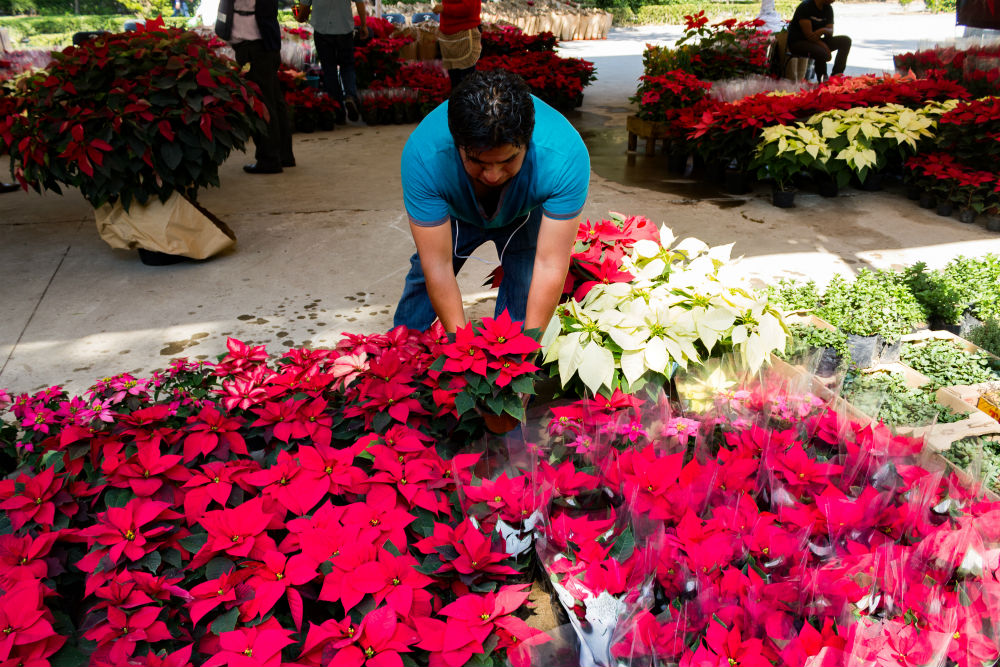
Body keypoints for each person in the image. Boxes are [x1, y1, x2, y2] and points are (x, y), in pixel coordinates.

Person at [393, 69, 590, 335]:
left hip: (523, 212)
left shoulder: (564, 156)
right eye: (478, 162)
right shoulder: (425, 157)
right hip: (455, 210)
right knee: (421, 289)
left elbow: (550, 265)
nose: (493, 176)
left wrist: (529, 346)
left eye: (508, 160)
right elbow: (437, 266)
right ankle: (403, 347)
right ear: (457, 145)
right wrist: (462, 346)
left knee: (526, 282)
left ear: (528, 143)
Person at [229, 0, 296, 173]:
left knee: (262, 103)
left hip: (253, 43)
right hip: (266, 42)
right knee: (274, 101)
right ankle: (283, 155)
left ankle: (269, 158)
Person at [303, 0, 368, 123]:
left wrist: (301, 17)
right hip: (344, 29)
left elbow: (304, 7)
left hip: (322, 31)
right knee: (347, 66)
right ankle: (350, 96)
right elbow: (359, 3)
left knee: (329, 69)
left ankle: (338, 110)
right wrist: (363, 25)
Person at [786, 0, 851, 82]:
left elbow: (830, 31)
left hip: (816, 41)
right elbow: (809, 36)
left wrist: (822, 30)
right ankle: (823, 81)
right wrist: (825, 47)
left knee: (845, 41)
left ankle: (836, 76)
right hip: (799, 42)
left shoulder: (828, 8)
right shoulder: (805, 6)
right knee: (821, 52)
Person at [432, 0, 481, 91]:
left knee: (466, 83)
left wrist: (444, 9)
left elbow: (469, 8)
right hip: (450, 37)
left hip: (464, 34)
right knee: (455, 81)